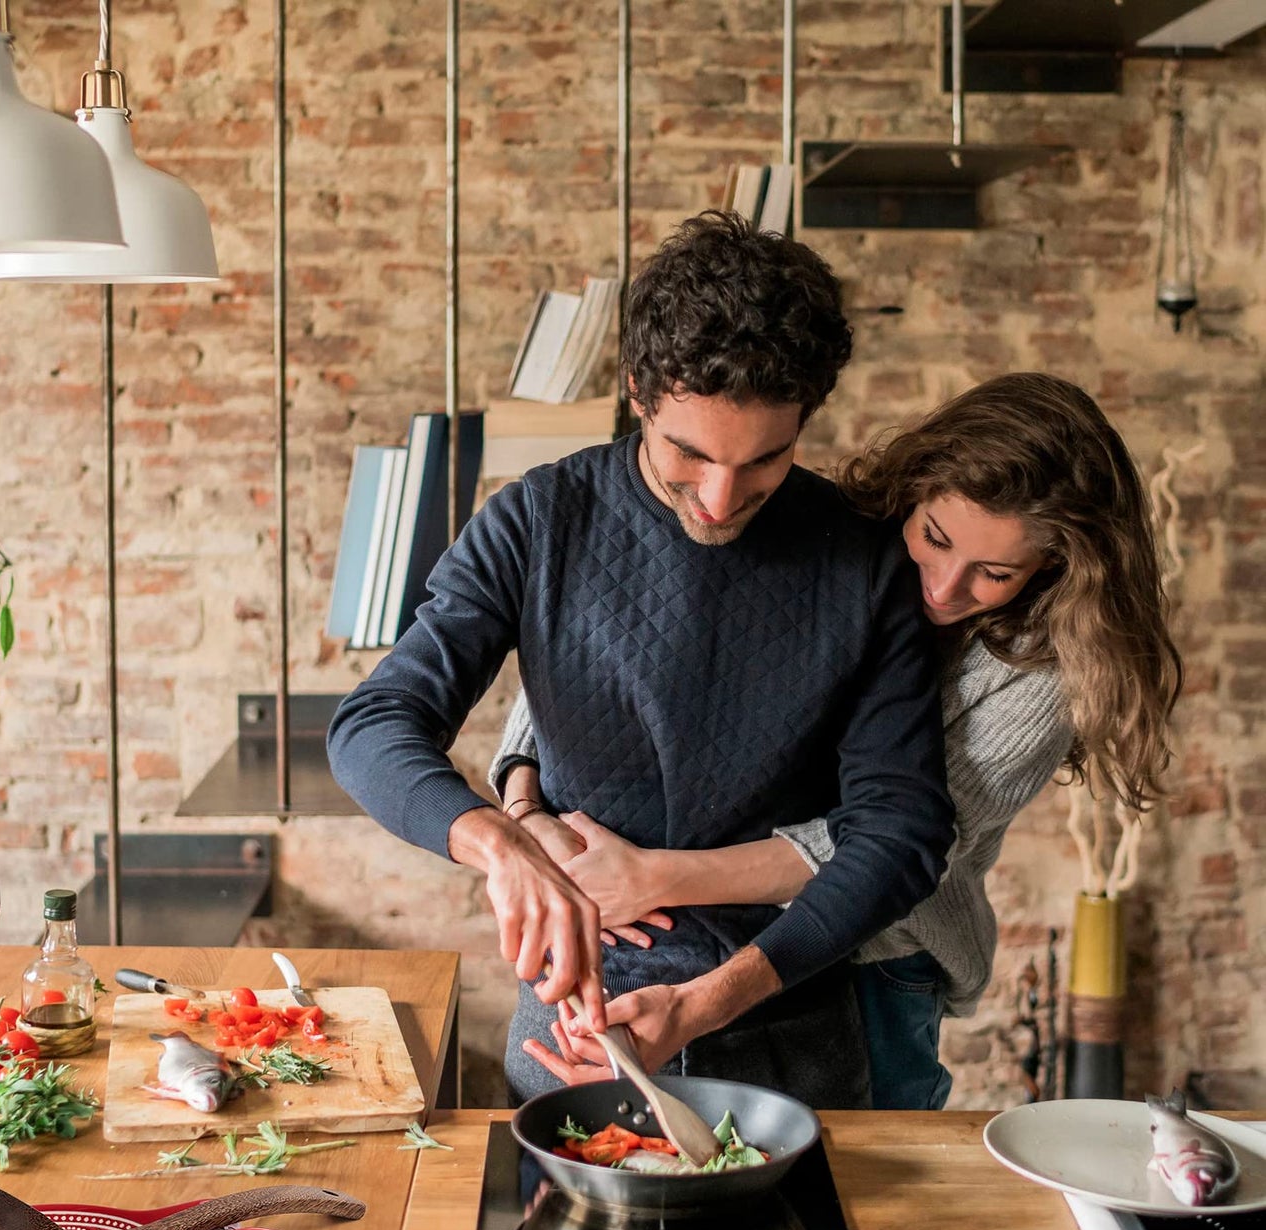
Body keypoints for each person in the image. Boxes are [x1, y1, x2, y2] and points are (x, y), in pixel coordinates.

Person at [327, 211, 955, 1108]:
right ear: (637, 391)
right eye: (687, 454)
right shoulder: (538, 521)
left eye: (764, 460)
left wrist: (706, 1003)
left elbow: (900, 831)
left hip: (791, 1021)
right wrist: (499, 841)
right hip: (578, 1021)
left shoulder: (862, 559)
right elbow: (372, 724)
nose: (719, 497)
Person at [494, 372, 1183, 1108]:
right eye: (934, 537)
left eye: (994, 572)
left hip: (877, 960)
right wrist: (523, 802)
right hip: (695, 924)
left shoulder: (1042, 678)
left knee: (857, 1192)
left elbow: (889, 846)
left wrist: (655, 876)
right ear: (912, 491)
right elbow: (601, 658)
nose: (943, 586)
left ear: (1052, 566)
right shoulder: (829, 545)